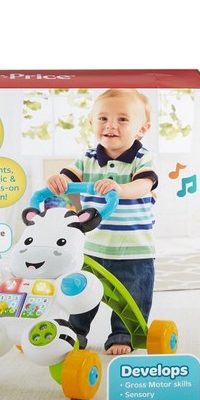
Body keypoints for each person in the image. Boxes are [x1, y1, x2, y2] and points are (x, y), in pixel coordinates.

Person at [46, 88, 158, 355]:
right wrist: (58, 181)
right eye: (103, 118)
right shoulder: (87, 158)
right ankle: (75, 331)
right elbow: (68, 178)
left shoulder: (143, 158)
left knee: (131, 294)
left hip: (133, 249)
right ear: (91, 123)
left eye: (122, 119)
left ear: (142, 129)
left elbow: (145, 184)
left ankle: (123, 334)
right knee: (81, 291)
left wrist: (121, 189)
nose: (111, 125)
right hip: (92, 247)